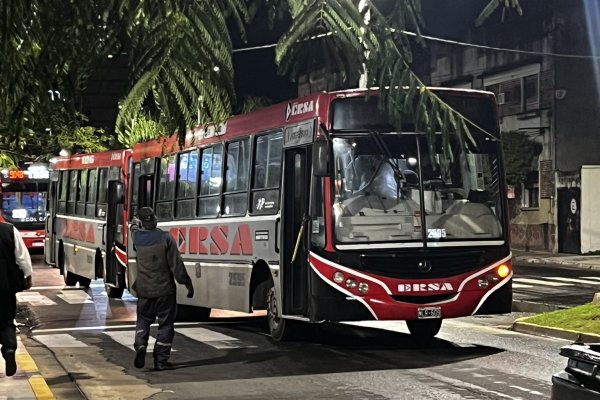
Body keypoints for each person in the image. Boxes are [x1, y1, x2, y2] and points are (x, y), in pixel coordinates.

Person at [130, 207, 194, 371]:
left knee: (143, 320)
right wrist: (186, 282)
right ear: (155, 220)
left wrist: (135, 223)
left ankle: (140, 344)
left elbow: (133, 228)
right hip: (165, 290)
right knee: (166, 325)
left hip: (144, 290)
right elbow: (176, 264)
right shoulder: (166, 238)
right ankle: (161, 360)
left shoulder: (137, 237)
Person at [0, 221, 32, 377]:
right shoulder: (9, 230)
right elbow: (22, 257)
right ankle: (9, 349)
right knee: (6, 320)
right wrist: (28, 275)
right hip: (4, 285)